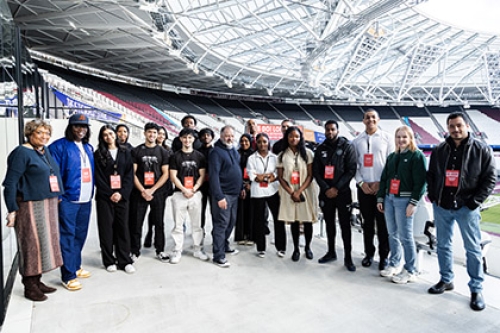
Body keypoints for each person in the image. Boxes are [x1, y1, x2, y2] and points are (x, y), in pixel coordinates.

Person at [427, 112, 496, 311]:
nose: (455, 130)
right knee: (443, 246)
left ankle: (476, 289)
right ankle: (446, 279)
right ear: (447, 128)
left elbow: (490, 178)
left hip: (466, 207)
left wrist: (474, 202)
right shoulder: (440, 149)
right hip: (442, 206)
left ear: (467, 126)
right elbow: (431, 175)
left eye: (459, 125)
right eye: (452, 126)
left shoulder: (481, 149)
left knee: (473, 249)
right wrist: (434, 198)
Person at [2, 119, 63, 301]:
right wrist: (12, 209)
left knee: (44, 244)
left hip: (47, 204)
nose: (44, 136)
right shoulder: (21, 152)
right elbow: (10, 183)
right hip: (29, 205)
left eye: (47, 133)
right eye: (39, 133)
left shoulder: (44, 151)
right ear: (29, 133)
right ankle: (29, 286)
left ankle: (37, 281)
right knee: (30, 245)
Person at [49, 113, 95, 291]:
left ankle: (75, 265)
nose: (80, 130)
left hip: (85, 199)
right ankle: (68, 275)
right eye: (77, 126)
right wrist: (58, 197)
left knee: (80, 235)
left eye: (84, 127)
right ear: (70, 127)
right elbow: (54, 174)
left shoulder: (88, 147)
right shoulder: (58, 147)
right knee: (67, 236)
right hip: (68, 199)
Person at [376, 126, 427, 283]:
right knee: (392, 233)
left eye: (404, 137)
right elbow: (384, 178)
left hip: (405, 200)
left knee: (406, 236)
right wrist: (380, 198)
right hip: (390, 198)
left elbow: (421, 182)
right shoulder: (392, 156)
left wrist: (413, 202)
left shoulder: (417, 156)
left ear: (411, 138)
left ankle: (411, 269)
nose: (401, 140)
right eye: (398, 137)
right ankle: (395, 263)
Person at [352, 109, 393, 271]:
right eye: (367, 117)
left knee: (383, 225)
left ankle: (384, 256)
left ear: (378, 119)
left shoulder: (387, 138)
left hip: (382, 190)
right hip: (364, 189)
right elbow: (354, 165)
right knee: (367, 224)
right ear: (363, 121)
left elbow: (391, 163)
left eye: (373, 117)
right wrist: (361, 183)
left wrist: (381, 184)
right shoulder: (356, 141)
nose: (370, 120)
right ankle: (369, 253)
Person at [313, 120, 357, 272]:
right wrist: (326, 188)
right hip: (326, 194)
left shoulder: (347, 147)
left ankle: (348, 257)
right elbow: (316, 172)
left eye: (332, 129)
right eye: (327, 130)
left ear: (337, 130)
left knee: (345, 225)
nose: (330, 132)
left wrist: (336, 188)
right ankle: (331, 252)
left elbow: (351, 170)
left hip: (343, 193)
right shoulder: (320, 149)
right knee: (329, 224)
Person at [94, 125, 135, 274]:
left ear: (116, 135)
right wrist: (110, 193)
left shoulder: (126, 152)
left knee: (123, 228)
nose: (109, 137)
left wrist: (121, 193)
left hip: (122, 197)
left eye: (111, 133)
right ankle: (109, 260)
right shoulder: (98, 154)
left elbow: (129, 175)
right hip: (105, 198)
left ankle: (125, 260)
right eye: (105, 135)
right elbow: (98, 177)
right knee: (106, 229)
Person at [129, 122, 170, 262]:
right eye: (149, 132)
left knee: (159, 222)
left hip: (157, 191)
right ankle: (134, 250)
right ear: (144, 133)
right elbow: (132, 173)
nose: (152, 135)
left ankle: (160, 250)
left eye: (154, 132)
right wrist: (143, 190)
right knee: (136, 222)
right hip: (139, 191)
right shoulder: (136, 151)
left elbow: (165, 174)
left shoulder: (163, 152)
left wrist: (152, 190)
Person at [277, 126, 318, 262]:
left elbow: (311, 175)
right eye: (291, 136)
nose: (293, 139)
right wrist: (292, 192)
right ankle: (296, 249)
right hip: (289, 192)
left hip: (305, 190)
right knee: (294, 221)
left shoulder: (308, 153)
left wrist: (299, 191)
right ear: (286, 138)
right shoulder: (282, 155)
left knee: (307, 221)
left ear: (300, 138)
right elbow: (281, 177)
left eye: (296, 136)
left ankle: (307, 247)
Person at [169, 128, 208, 264]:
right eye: (184, 138)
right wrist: (184, 189)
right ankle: (177, 249)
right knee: (178, 225)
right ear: (180, 139)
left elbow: (202, 175)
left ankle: (197, 248)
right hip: (179, 194)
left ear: (194, 139)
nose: (187, 140)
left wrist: (194, 189)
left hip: (195, 194)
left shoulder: (199, 156)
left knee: (197, 224)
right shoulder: (175, 156)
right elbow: (173, 176)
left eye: (190, 138)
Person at [209, 125, 243, 268]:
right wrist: (219, 196)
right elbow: (214, 176)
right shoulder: (216, 152)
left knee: (230, 223)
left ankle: (225, 244)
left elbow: (237, 170)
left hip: (235, 194)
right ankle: (218, 255)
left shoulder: (234, 151)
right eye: (226, 135)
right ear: (221, 136)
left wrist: (241, 188)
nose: (229, 138)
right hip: (223, 195)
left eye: (231, 136)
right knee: (221, 224)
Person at [247, 133, 285, 258]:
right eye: (259, 142)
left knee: (278, 219)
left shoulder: (275, 157)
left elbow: (276, 174)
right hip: (258, 192)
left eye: (264, 141)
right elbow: (252, 175)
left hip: (273, 191)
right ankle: (261, 248)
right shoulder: (252, 158)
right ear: (256, 143)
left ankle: (281, 247)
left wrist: (265, 177)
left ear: (268, 142)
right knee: (259, 221)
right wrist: (267, 176)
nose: (262, 144)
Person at [144, 125, 173, 248]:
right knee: (150, 211)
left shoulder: (168, 151)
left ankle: (155, 236)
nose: (160, 136)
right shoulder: (145, 149)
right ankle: (150, 232)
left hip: (162, 185)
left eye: (163, 134)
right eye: (159, 133)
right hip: (147, 184)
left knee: (157, 211)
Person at [234, 133, 255, 245]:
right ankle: (240, 236)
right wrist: (241, 186)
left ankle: (251, 236)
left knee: (251, 211)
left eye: (246, 141)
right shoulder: (236, 154)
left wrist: (250, 183)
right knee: (240, 211)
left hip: (252, 186)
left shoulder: (254, 154)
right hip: (239, 186)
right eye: (242, 141)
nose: (244, 143)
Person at [197, 127, 215, 232]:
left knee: (214, 210)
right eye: (203, 135)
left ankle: (215, 231)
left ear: (212, 137)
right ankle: (200, 230)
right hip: (200, 184)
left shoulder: (216, 151)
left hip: (212, 184)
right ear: (200, 138)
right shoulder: (197, 152)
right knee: (200, 210)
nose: (206, 137)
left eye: (208, 135)